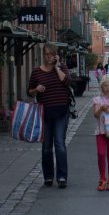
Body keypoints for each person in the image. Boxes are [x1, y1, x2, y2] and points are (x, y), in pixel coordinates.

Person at [28, 43, 71, 189]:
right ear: (43, 55)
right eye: (46, 54)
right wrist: (36, 89)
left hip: (61, 112)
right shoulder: (36, 72)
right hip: (44, 113)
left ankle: (62, 176)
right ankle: (48, 176)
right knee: (46, 146)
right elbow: (29, 91)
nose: (49, 57)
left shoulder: (62, 68)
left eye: (51, 54)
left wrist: (57, 66)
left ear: (55, 55)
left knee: (59, 143)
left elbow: (66, 81)